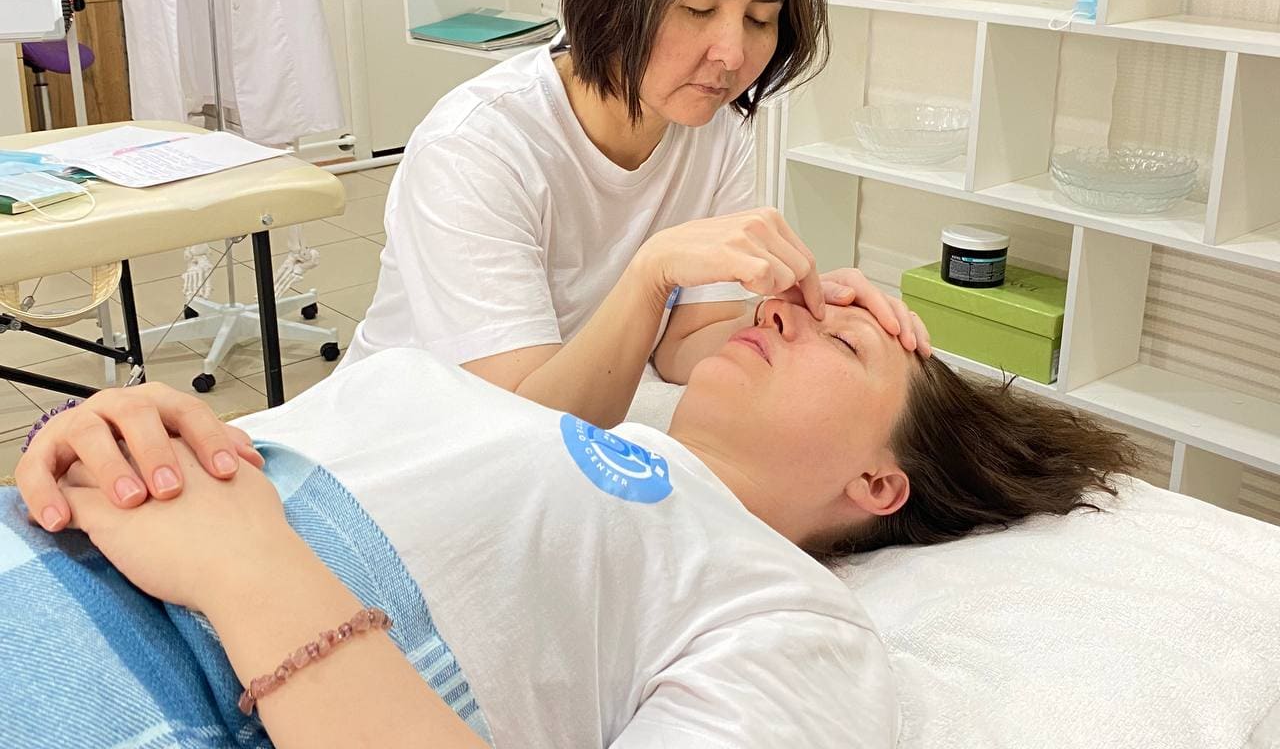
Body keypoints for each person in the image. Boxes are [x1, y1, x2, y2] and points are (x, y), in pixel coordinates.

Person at [10, 297, 1135, 748]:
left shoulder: (788, 614)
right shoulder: (505, 414)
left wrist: (253, 573)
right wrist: (109, 436)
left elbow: (241, 542)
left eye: (842, 343)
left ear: (880, 485)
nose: (787, 312)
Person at [343, 0, 929, 427]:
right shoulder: (475, 150)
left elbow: (684, 346)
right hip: (394, 441)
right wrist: (653, 273)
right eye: (699, 9)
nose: (731, 54)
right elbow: (528, 429)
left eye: (760, 18)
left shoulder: (714, 130)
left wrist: (786, 317)